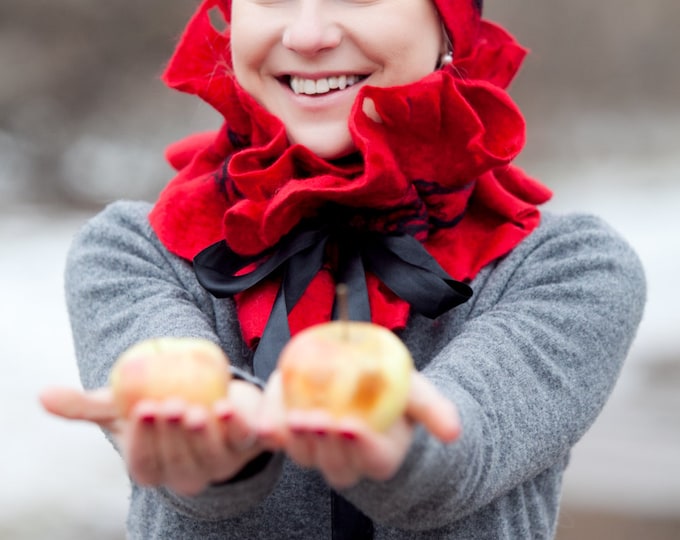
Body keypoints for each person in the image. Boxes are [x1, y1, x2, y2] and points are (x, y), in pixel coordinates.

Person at [40, 0, 646, 538]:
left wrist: (401, 441)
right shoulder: (135, 252)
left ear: (449, 21)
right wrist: (216, 439)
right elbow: (174, 411)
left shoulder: (568, 269)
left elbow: (466, 452)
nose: (307, 34)